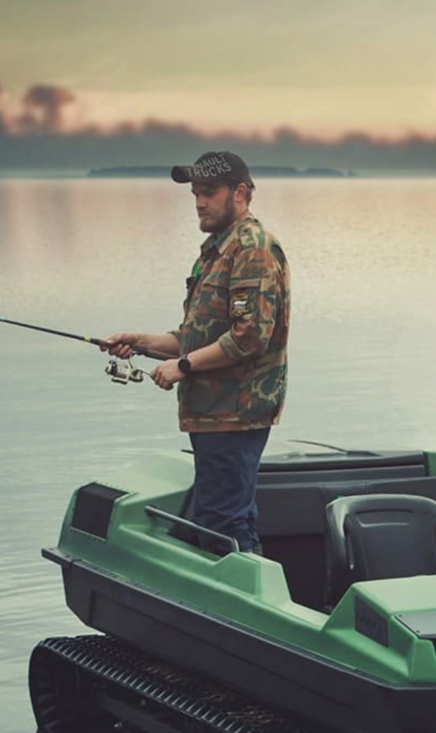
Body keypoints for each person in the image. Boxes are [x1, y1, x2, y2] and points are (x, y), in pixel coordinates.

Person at [100, 150, 290, 555]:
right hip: (213, 414)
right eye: (195, 194)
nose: (199, 202)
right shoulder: (217, 250)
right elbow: (196, 336)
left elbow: (249, 336)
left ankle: (249, 608)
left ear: (240, 193)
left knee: (224, 522)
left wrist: (182, 367)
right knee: (219, 517)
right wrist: (141, 342)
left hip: (235, 413)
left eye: (209, 193)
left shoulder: (252, 248)